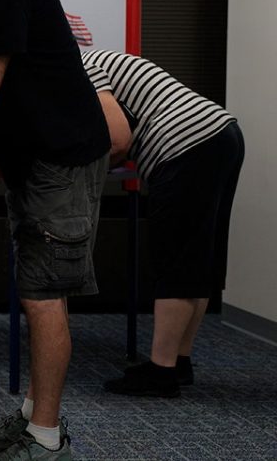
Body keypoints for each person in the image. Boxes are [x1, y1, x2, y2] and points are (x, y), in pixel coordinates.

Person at [0, 0, 110, 461]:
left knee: (42, 297)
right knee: (39, 292)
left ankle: (44, 437)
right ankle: (32, 416)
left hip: (58, 160)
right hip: (36, 159)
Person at [81, 49, 243, 397]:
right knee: (197, 258)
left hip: (186, 145)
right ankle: (178, 362)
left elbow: (118, 139)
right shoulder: (97, 58)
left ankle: (161, 372)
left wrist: (81, 174)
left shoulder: (81, 66)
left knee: (174, 258)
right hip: (221, 134)